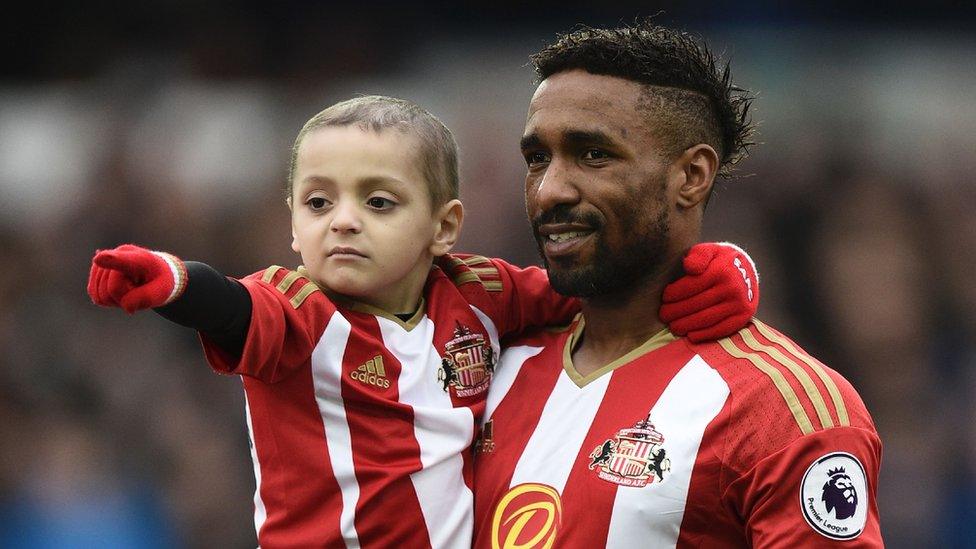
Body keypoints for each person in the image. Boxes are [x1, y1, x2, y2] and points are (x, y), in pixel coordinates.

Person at [87, 95, 759, 547]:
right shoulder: (300, 308)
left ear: (443, 226)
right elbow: (232, 305)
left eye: (378, 201)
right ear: (293, 224)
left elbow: (607, 289)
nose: (343, 219)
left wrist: (717, 266)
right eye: (318, 202)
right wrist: (173, 280)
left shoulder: (482, 292)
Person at [472, 21, 883, 548]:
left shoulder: (780, 408)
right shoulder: (481, 365)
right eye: (536, 159)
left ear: (690, 176)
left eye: (593, 155)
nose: (549, 189)